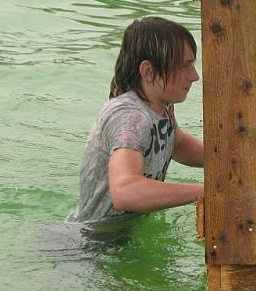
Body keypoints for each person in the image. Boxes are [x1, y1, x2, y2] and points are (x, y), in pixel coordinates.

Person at [68, 16, 204, 224]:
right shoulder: (131, 118)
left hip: (117, 238)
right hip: (89, 244)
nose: (194, 76)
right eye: (184, 66)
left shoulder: (161, 104)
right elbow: (125, 191)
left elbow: (176, 144)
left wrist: (235, 160)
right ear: (148, 72)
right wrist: (207, 192)